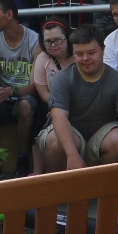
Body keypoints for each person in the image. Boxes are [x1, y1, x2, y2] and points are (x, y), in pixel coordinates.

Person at [38, 24, 118, 172]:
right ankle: (57, 185)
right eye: (79, 54)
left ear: (103, 50)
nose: (85, 58)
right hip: (71, 137)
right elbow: (59, 117)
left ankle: (104, 185)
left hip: (102, 138)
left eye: (91, 53)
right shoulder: (62, 79)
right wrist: (72, 155)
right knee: (55, 140)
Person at [0, 0, 39, 176]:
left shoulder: (35, 41)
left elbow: (35, 86)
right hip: (2, 99)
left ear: (9, 15)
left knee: (26, 104)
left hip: (23, 96)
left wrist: (11, 91)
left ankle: (23, 158)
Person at [30, 17, 75, 174]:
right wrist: (57, 106)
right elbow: (43, 92)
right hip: (52, 102)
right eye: (48, 41)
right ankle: (37, 170)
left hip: (79, 101)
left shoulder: (78, 55)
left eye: (57, 40)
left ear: (67, 38)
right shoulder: (42, 58)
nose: (53, 45)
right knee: (39, 113)